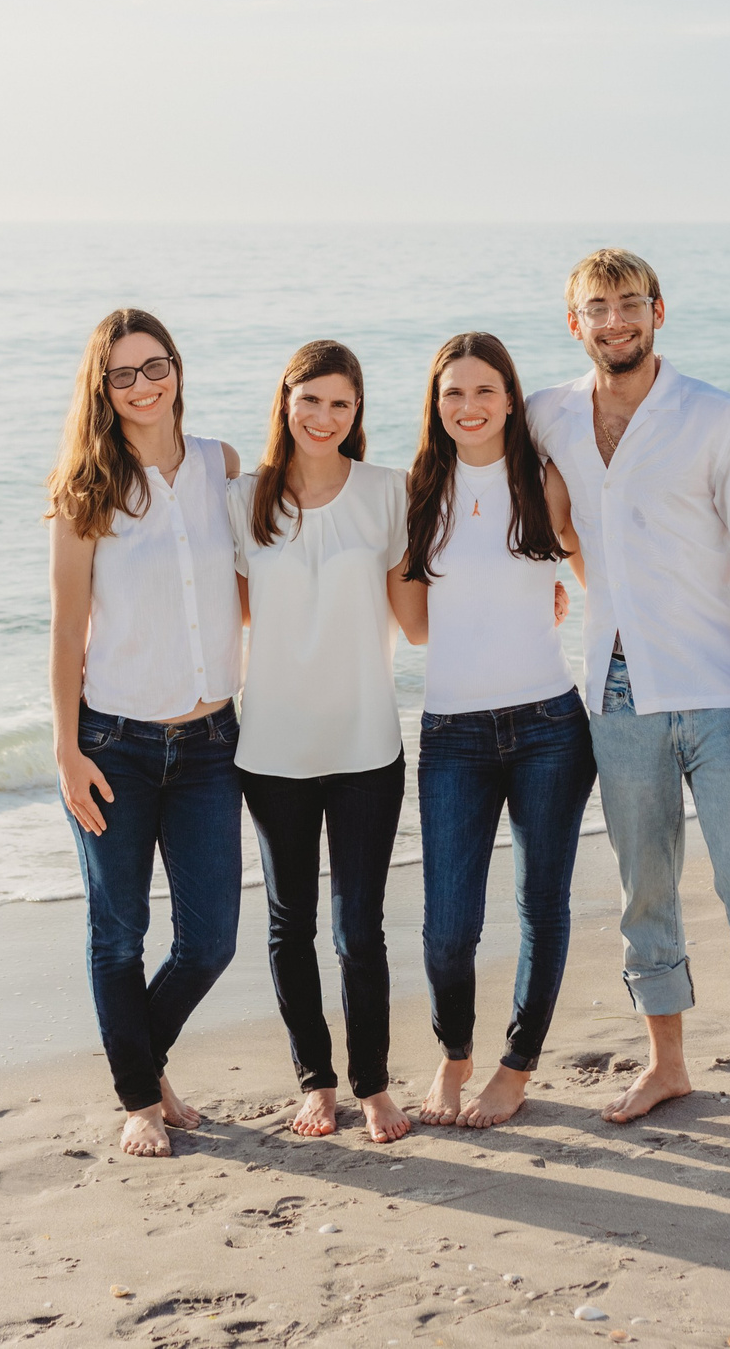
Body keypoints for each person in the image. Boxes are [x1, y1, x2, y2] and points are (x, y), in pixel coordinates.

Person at [528, 248, 730, 1146]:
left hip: (718, 688)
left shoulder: (717, 419)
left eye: (629, 304)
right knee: (643, 892)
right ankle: (667, 1062)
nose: (614, 321)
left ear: (659, 311)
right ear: (572, 321)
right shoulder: (549, 414)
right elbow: (550, 516)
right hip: (616, 692)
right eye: (597, 308)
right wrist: (570, 579)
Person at [46, 308, 245, 1159]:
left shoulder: (221, 465)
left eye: (154, 365)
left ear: (176, 367)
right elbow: (64, 633)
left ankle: (143, 1056)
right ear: (103, 387)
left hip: (209, 747)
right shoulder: (82, 493)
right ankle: (139, 1099)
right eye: (122, 374)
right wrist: (66, 751)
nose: (143, 386)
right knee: (117, 933)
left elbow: (267, 568)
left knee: (210, 940)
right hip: (114, 744)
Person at [390, 332, 594, 1129]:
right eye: (452, 394)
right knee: (449, 929)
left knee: (542, 905)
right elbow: (412, 628)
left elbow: (594, 579)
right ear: (434, 406)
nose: (468, 407)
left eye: (484, 391)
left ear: (511, 398)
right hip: (454, 737)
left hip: (550, 724)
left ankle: (515, 1067)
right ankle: (454, 1055)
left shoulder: (546, 481)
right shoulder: (415, 491)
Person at [230, 339, 417, 1143]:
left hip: (366, 743)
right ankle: (317, 1081)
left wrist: (538, 584)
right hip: (272, 747)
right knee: (288, 924)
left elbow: (417, 616)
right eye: (311, 400)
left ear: (357, 414)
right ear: (285, 402)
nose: (324, 417)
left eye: (341, 404)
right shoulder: (242, 498)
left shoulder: (388, 493)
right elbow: (228, 613)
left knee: (359, 928)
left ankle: (371, 1082)